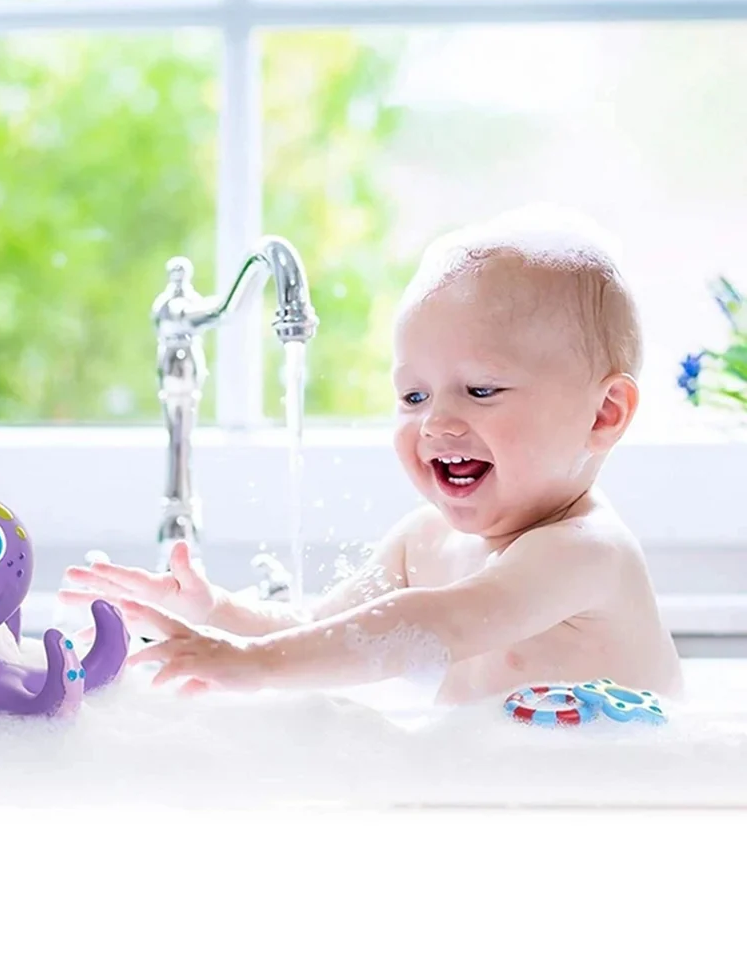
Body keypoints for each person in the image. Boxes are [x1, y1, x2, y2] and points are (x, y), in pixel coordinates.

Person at [59, 205, 682, 704]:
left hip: (607, 808)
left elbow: (435, 625)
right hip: (494, 798)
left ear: (603, 414)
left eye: (482, 390)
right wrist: (214, 614)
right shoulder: (424, 542)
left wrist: (250, 665)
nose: (436, 421)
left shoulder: (585, 552)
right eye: (413, 394)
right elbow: (316, 631)